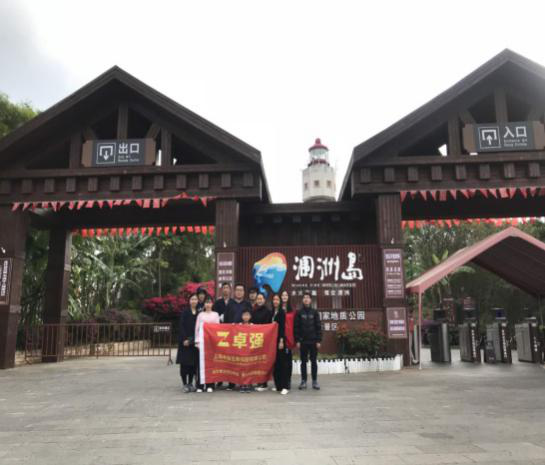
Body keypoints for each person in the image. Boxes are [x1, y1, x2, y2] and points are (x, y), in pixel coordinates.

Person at [294, 291, 322, 390]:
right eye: (304, 297)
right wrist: (297, 340)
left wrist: (318, 340)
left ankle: (314, 381)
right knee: (303, 362)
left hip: (313, 341)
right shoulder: (299, 312)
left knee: (314, 361)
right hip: (303, 341)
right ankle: (303, 381)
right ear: (302, 300)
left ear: (310, 300)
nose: (306, 299)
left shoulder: (315, 312)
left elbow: (318, 326)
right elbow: (296, 327)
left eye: (308, 297)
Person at [195, 295, 220, 393]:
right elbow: (197, 329)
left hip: (211, 343)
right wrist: (197, 341)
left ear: (212, 304)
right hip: (202, 342)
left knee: (211, 364)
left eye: (209, 302)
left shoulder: (216, 314)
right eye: (206, 302)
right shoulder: (200, 315)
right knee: (200, 364)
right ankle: (200, 385)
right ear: (204, 304)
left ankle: (210, 384)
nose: (208, 304)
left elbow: (218, 328)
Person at [176, 293, 199, 393]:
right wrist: (184, 339)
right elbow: (181, 326)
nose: (194, 301)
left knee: (192, 365)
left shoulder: (199, 313)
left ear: (198, 301)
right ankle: (184, 384)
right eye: (192, 299)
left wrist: (193, 340)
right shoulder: (185, 312)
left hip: (194, 342)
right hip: (184, 342)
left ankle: (190, 383)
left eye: (195, 299)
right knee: (184, 364)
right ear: (189, 301)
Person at [251, 292, 273, 391]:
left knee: (263, 362)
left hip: (264, 339)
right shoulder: (253, 311)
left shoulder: (268, 311)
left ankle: (264, 383)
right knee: (256, 361)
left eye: (261, 299)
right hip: (255, 339)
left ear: (264, 300)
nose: (259, 300)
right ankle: (258, 381)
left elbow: (269, 325)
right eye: (258, 299)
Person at [271, 293, 289, 395]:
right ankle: (278, 386)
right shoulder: (272, 312)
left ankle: (285, 386)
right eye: (274, 299)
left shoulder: (282, 312)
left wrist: (281, 341)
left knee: (282, 364)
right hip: (272, 341)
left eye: (277, 299)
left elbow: (282, 327)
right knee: (276, 364)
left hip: (280, 340)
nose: (275, 301)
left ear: (280, 301)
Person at [281, 290, 295, 390]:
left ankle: (288, 380)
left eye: (286, 295)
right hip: (280, 339)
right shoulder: (278, 309)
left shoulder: (292, 311)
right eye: (283, 295)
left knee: (288, 362)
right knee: (280, 361)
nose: (284, 296)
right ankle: (281, 381)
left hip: (289, 339)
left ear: (288, 297)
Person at [239, 308, 253, 394]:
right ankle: (242, 384)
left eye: (247, 315)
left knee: (249, 367)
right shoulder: (239, 325)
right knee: (241, 367)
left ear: (250, 316)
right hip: (241, 350)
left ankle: (248, 384)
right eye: (244, 315)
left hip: (250, 350)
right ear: (242, 316)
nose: (246, 317)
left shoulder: (253, 325)